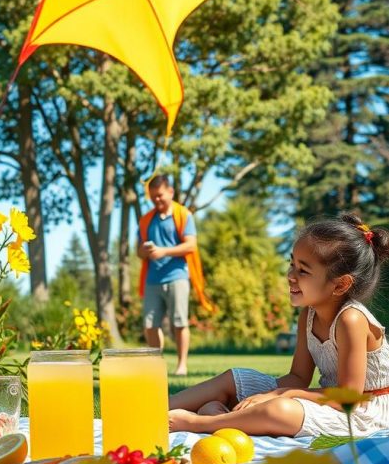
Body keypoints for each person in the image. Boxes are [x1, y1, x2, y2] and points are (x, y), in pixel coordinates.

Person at [169, 213, 389, 438]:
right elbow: (298, 377)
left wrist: (281, 395)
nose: (290, 275)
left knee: (279, 409)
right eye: (291, 264)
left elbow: (348, 397)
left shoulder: (350, 319)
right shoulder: (309, 315)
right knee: (234, 378)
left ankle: (200, 423)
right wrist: (274, 392)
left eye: (303, 270)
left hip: (362, 412)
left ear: (341, 284)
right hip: (332, 401)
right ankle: (157, 410)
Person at [137, 175, 211, 376]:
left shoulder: (183, 215)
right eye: (153, 197)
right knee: (150, 325)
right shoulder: (146, 220)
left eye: (160, 196)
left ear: (170, 192)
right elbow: (138, 251)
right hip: (152, 279)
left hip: (177, 276)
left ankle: (181, 365)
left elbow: (191, 245)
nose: (157, 200)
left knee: (179, 322)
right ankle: (156, 365)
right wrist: (145, 251)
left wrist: (163, 251)